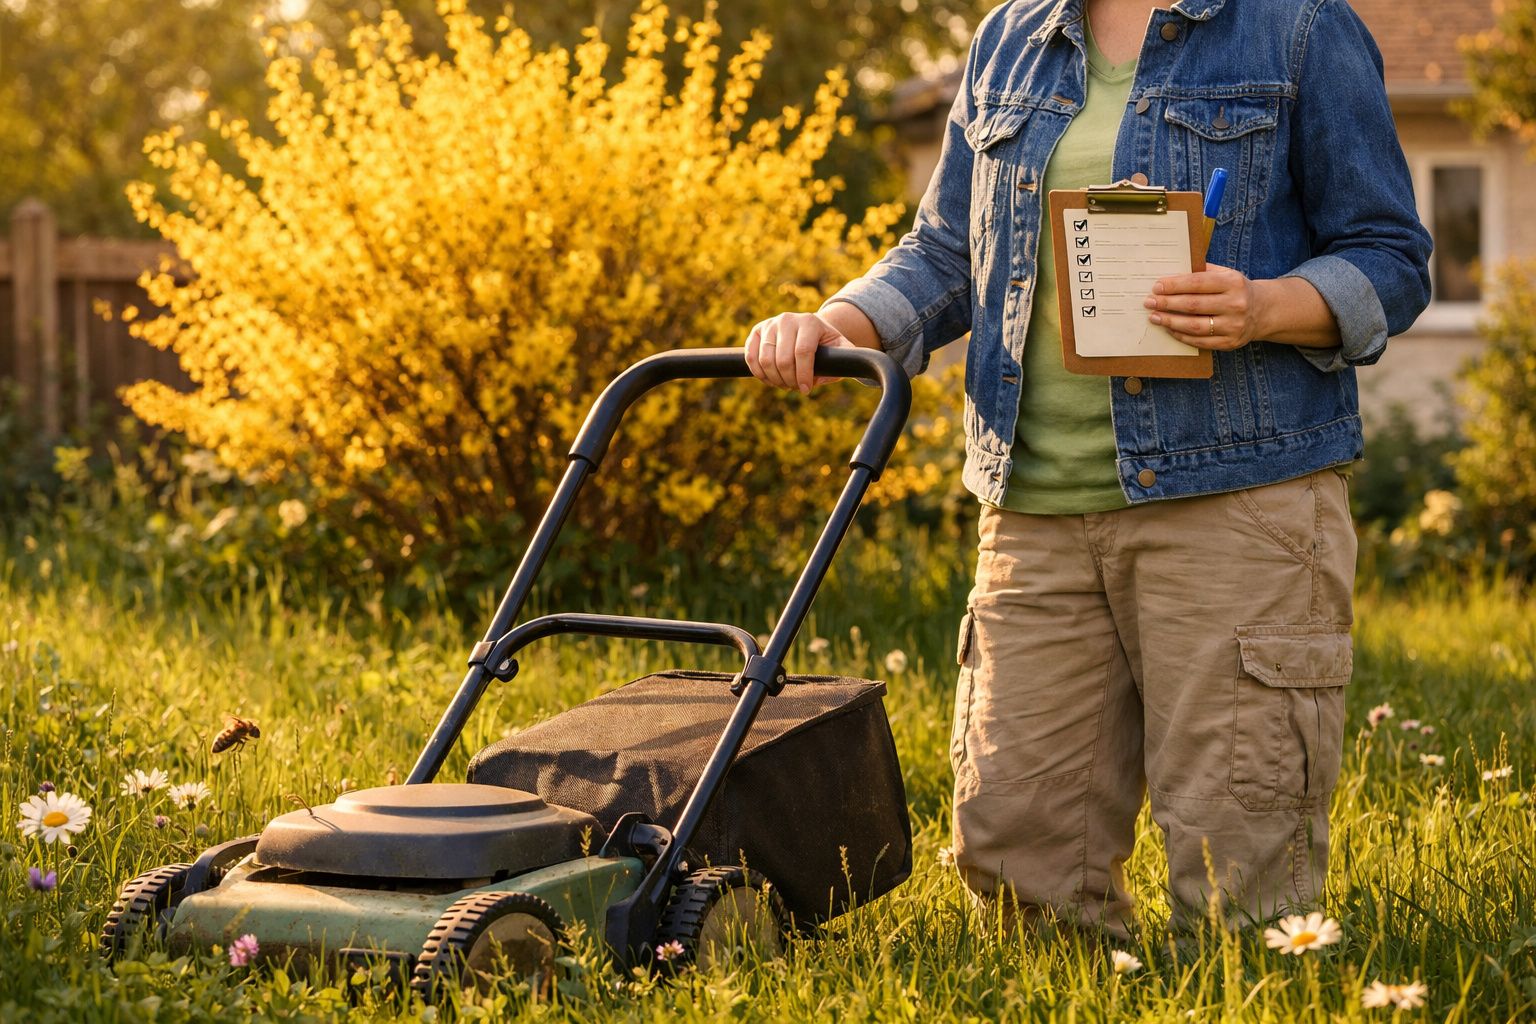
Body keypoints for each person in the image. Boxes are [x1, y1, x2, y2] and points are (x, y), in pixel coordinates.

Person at [744, 0, 1431, 938]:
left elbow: (1390, 256)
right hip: (1033, 507)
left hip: (1235, 498)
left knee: (1240, 883)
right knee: (1019, 865)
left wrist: (1264, 306)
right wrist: (836, 326)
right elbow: (947, 250)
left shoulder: (1296, 26)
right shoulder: (1009, 36)